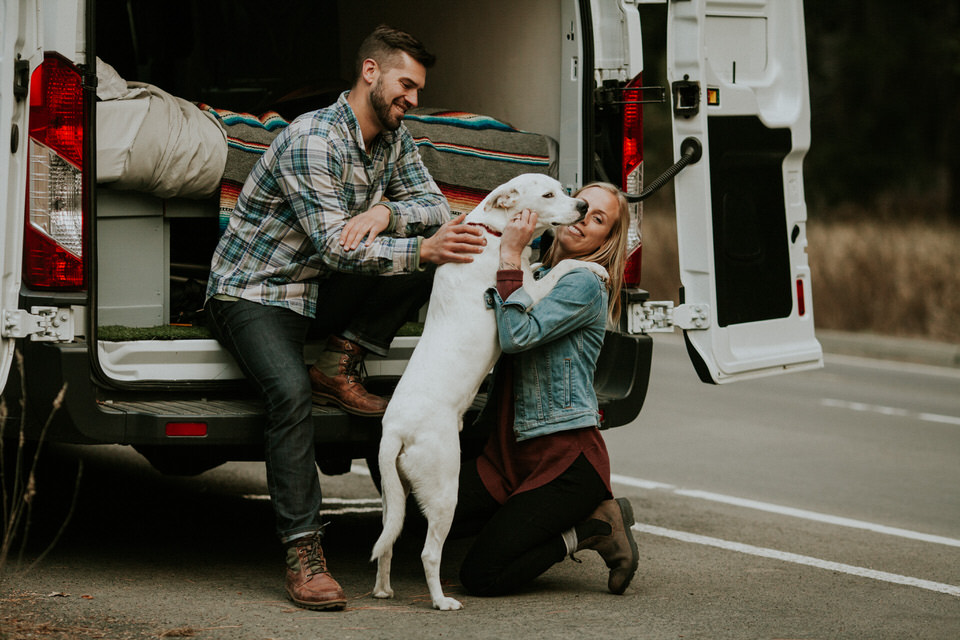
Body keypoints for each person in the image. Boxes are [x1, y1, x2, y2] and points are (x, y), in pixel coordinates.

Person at [204, 25, 486, 611]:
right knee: (287, 394)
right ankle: (304, 554)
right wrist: (419, 245)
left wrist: (385, 212)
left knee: (440, 247)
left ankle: (340, 359)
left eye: (418, 89)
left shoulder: (393, 136)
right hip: (255, 292)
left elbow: (436, 205)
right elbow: (336, 248)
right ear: (371, 73)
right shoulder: (313, 139)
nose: (412, 98)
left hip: (320, 287)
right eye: (406, 85)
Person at [451, 182, 640, 597]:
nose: (583, 219)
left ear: (606, 239)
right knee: (424, 514)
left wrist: (509, 255)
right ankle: (524, 520)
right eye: (583, 207)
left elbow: (517, 334)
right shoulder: (538, 275)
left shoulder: (585, 283)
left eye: (599, 220)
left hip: (563, 463)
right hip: (509, 452)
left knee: (480, 576)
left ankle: (591, 529)